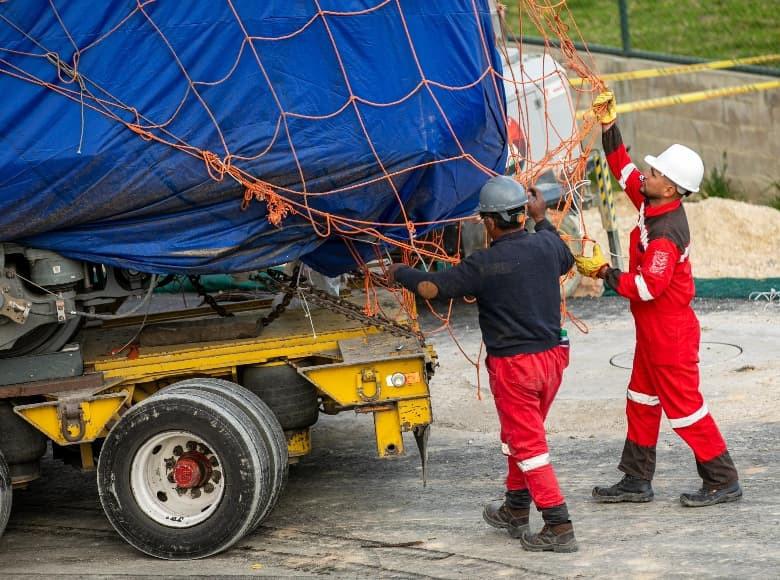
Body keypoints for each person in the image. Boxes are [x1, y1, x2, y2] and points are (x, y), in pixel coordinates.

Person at [388, 175, 577, 553]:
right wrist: (543, 218)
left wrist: (398, 273)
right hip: (553, 360)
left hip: (516, 368)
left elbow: (431, 288)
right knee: (518, 436)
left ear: (489, 222)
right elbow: (566, 256)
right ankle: (516, 509)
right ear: (522, 214)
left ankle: (558, 525)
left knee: (528, 444)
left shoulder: (483, 265)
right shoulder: (546, 245)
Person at [575, 90, 741, 507]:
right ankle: (636, 479)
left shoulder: (666, 234)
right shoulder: (654, 203)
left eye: (654, 172)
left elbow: (650, 287)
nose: (645, 174)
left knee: (684, 409)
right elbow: (622, 170)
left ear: (670, 187)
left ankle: (722, 479)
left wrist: (603, 273)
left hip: (669, 335)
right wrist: (609, 125)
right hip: (653, 334)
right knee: (641, 400)